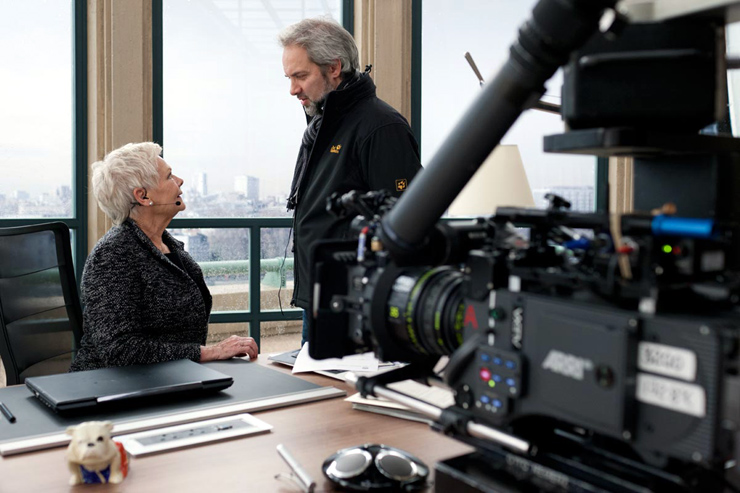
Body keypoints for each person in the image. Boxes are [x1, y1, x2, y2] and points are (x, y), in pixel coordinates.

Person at [279, 18, 423, 346]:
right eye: (289, 78)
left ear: (334, 68)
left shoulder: (381, 127)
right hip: (321, 298)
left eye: (300, 76)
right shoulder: (321, 126)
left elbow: (405, 224)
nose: (293, 89)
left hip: (357, 305)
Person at [70, 142, 258, 372]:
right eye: (169, 176)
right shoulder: (112, 255)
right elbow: (119, 350)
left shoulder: (168, 245)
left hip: (169, 379)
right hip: (113, 391)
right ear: (143, 196)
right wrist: (208, 353)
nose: (179, 180)